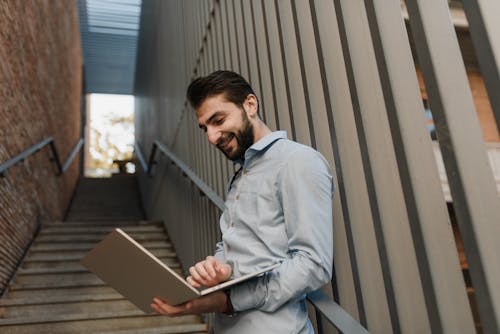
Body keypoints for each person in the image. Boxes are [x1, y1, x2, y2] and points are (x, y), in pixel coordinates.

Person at [151, 70, 334, 333]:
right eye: (205, 128)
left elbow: (313, 264)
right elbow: (236, 244)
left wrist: (227, 301)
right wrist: (218, 266)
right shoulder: (241, 175)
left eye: (219, 120)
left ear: (250, 105)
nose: (212, 137)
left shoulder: (298, 162)